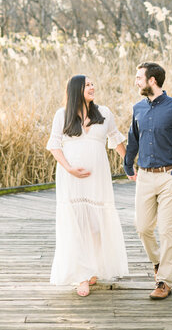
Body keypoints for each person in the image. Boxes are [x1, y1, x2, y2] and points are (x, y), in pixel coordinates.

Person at [46, 74, 128, 297]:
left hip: (98, 178)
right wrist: (69, 168)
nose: (93, 87)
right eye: (87, 85)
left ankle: (93, 267)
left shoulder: (104, 113)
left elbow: (116, 139)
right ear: (76, 89)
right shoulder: (62, 115)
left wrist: (129, 165)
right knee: (76, 224)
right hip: (71, 177)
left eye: (93, 84)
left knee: (95, 226)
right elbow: (54, 145)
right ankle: (80, 275)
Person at [124, 62, 172, 300]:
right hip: (144, 176)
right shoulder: (137, 108)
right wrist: (127, 164)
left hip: (169, 177)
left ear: (152, 80)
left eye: (139, 78)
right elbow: (133, 139)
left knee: (167, 230)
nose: (136, 81)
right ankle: (157, 262)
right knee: (142, 228)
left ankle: (164, 281)